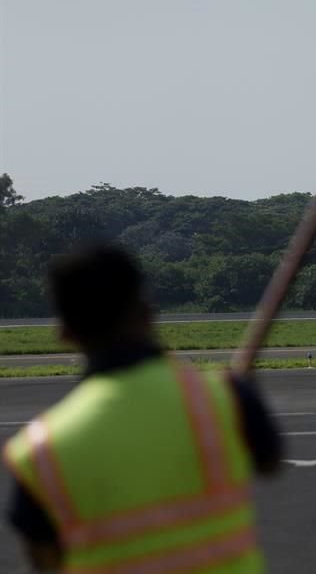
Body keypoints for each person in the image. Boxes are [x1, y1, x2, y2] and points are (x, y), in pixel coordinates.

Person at [3, 244, 283, 572]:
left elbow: (45, 561)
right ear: (148, 313)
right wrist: (246, 394)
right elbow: (268, 462)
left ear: (63, 332)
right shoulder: (224, 398)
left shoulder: (38, 450)